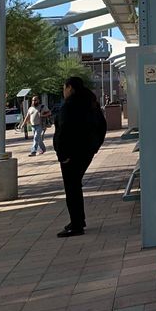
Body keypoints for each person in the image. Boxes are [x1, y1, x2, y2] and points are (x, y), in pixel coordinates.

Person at [54, 77, 107, 238]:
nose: (64, 92)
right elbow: (102, 126)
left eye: (64, 88)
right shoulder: (91, 104)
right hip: (85, 151)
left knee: (72, 188)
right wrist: (94, 147)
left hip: (70, 155)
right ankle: (78, 220)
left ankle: (76, 224)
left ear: (70, 88)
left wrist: (63, 155)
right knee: (75, 185)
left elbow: (63, 131)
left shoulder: (69, 106)